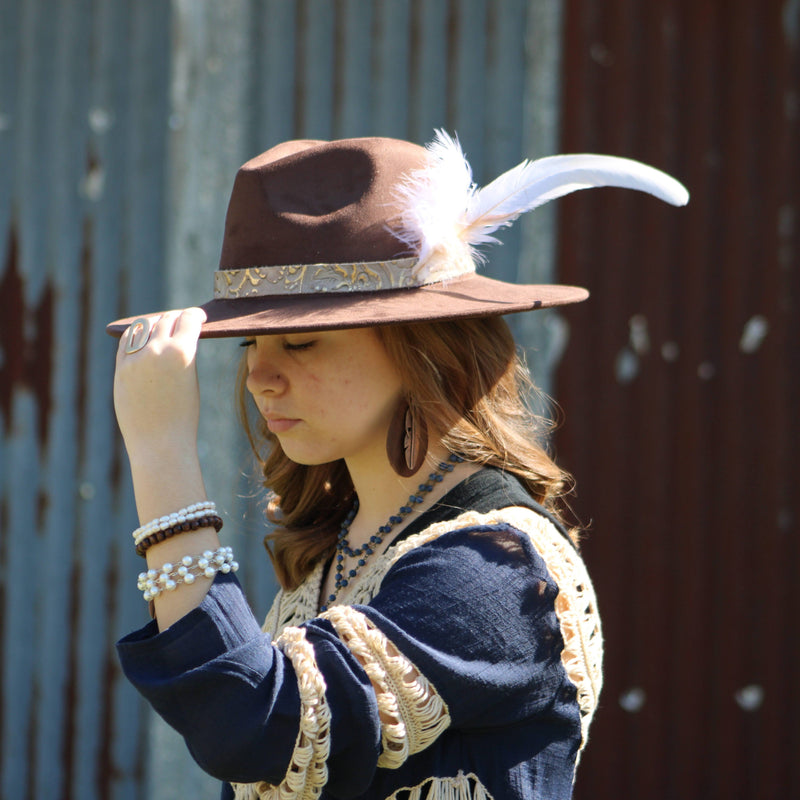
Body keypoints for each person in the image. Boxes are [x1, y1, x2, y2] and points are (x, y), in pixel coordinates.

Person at [109, 132, 688, 800]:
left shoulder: (496, 568)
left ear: (423, 349)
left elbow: (256, 725)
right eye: (250, 342)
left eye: (301, 341)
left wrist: (161, 453)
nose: (260, 375)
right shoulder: (339, 551)